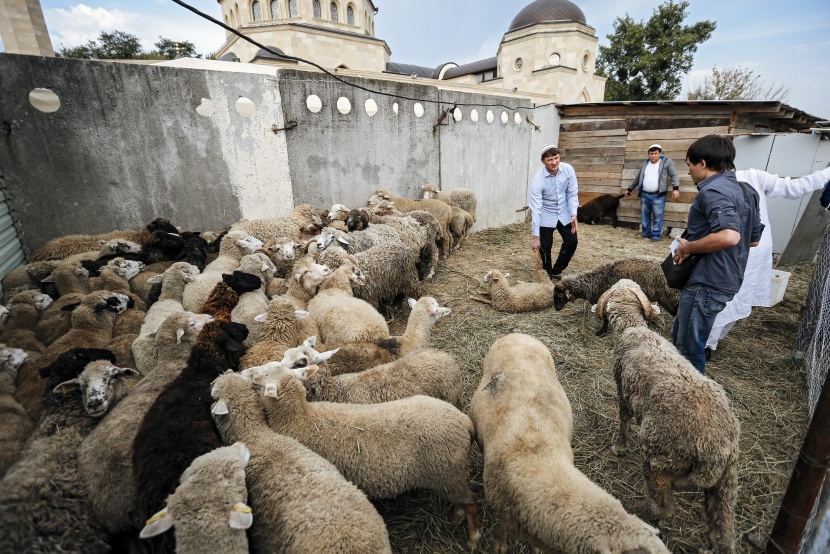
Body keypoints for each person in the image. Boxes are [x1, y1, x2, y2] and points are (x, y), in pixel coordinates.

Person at [705, 166, 830, 357]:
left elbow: (794, 187)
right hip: (754, 249)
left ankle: (707, 344)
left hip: (739, 251)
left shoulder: (727, 183)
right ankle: (711, 342)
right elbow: (795, 188)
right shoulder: (751, 176)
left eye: (691, 164)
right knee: (737, 297)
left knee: (725, 298)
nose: (690, 171)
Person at [671, 135, 763, 374]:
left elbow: (730, 236)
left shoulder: (713, 191)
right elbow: (752, 240)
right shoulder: (747, 190)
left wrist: (688, 247)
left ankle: (694, 405)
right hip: (725, 278)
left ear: (702, 163)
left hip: (707, 280)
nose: (688, 170)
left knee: (688, 351)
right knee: (680, 337)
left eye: (689, 164)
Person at [529, 144, 579, 280]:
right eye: (550, 160)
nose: (554, 162)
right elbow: (536, 208)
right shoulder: (538, 180)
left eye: (556, 158)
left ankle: (557, 270)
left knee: (572, 242)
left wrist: (574, 213)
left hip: (564, 211)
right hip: (546, 213)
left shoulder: (568, 170)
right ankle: (547, 276)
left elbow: (572, 193)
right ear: (543, 161)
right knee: (545, 247)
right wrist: (535, 236)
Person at [623, 144, 680, 241]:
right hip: (644, 194)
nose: (653, 156)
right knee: (645, 216)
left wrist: (675, 188)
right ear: (648, 154)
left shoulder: (666, 162)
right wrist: (629, 189)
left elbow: (674, 175)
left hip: (658, 195)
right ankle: (646, 234)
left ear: (660, 153)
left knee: (658, 216)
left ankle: (656, 236)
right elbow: (638, 178)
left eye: (655, 153)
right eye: (651, 153)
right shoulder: (645, 164)